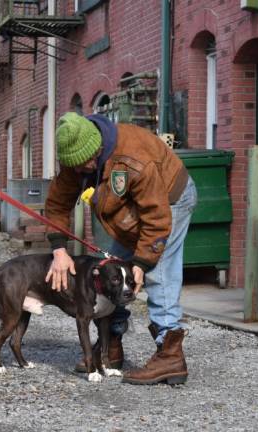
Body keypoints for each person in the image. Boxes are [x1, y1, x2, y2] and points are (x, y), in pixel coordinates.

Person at [44, 112, 197, 385]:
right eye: (75, 167)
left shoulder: (134, 159)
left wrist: (142, 262)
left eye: (85, 166)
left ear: (98, 150)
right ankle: (110, 346)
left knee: (157, 272)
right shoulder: (75, 160)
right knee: (112, 270)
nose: (80, 172)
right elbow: (57, 204)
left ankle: (170, 354)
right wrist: (59, 250)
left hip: (170, 200)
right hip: (131, 211)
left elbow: (156, 219)